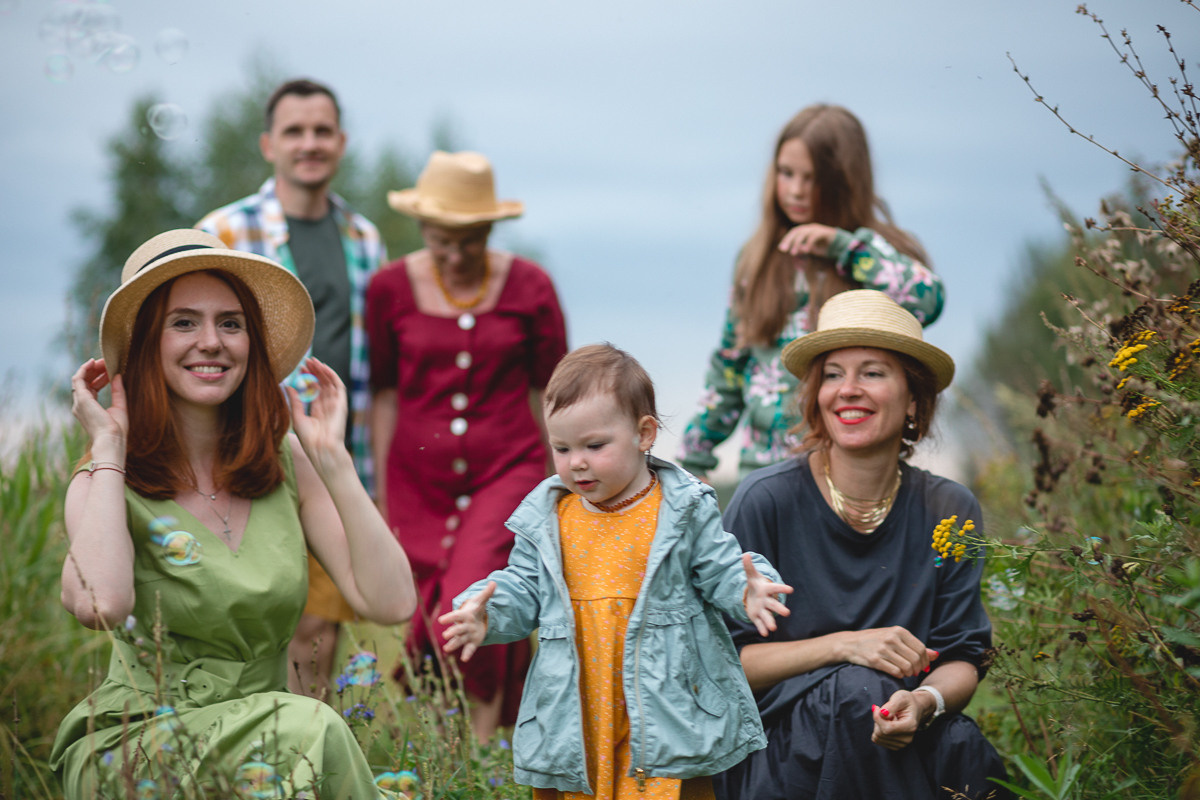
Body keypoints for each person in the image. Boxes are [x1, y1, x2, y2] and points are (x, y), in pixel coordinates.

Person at [49, 229, 417, 799]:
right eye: (184, 322)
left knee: (306, 735)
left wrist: (335, 462)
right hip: (143, 746)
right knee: (314, 727)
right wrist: (107, 449)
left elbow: (391, 601)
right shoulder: (106, 480)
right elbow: (101, 604)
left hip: (269, 741)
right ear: (149, 343)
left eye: (230, 323)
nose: (211, 341)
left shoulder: (286, 463)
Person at [439, 344, 793, 799]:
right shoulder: (549, 517)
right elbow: (524, 586)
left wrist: (749, 590)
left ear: (644, 434)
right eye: (561, 448)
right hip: (576, 704)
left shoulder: (680, 509)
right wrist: (486, 613)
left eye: (594, 445)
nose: (576, 462)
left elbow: (720, 566)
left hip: (665, 704)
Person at [713, 290, 1009, 799]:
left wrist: (925, 703)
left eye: (872, 372)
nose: (848, 390)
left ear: (913, 398)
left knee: (959, 742)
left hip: (897, 729)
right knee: (857, 689)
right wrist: (846, 647)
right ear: (816, 395)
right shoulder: (767, 500)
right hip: (779, 746)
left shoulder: (949, 509)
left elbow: (963, 655)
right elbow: (724, 664)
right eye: (832, 374)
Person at [366, 150, 568, 742]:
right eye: (441, 238)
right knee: (423, 611)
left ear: (491, 229)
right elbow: (382, 394)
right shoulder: (387, 289)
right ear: (422, 226)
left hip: (509, 467)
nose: (454, 253)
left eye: (470, 238)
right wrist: (380, 493)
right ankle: (451, 754)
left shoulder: (532, 286)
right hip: (414, 481)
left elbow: (552, 391)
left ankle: (477, 754)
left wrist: (560, 479)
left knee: (473, 593)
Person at [196, 78, 386, 700]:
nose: (310, 143)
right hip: (242, 453)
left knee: (318, 628)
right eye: (295, 132)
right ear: (268, 144)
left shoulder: (363, 238)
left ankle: (301, 761)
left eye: (322, 131)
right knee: (244, 615)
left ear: (342, 142)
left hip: (331, 457)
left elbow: (373, 364)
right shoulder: (223, 230)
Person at [678, 104, 946, 481]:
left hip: (854, 475)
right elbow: (729, 370)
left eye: (814, 178)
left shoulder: (876, 252)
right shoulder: (757, 261)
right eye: (786, 174)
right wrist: (694, 458)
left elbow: (927, 301)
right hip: (765, 473)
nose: (797, 190)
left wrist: (844, 249)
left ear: (846, 181)